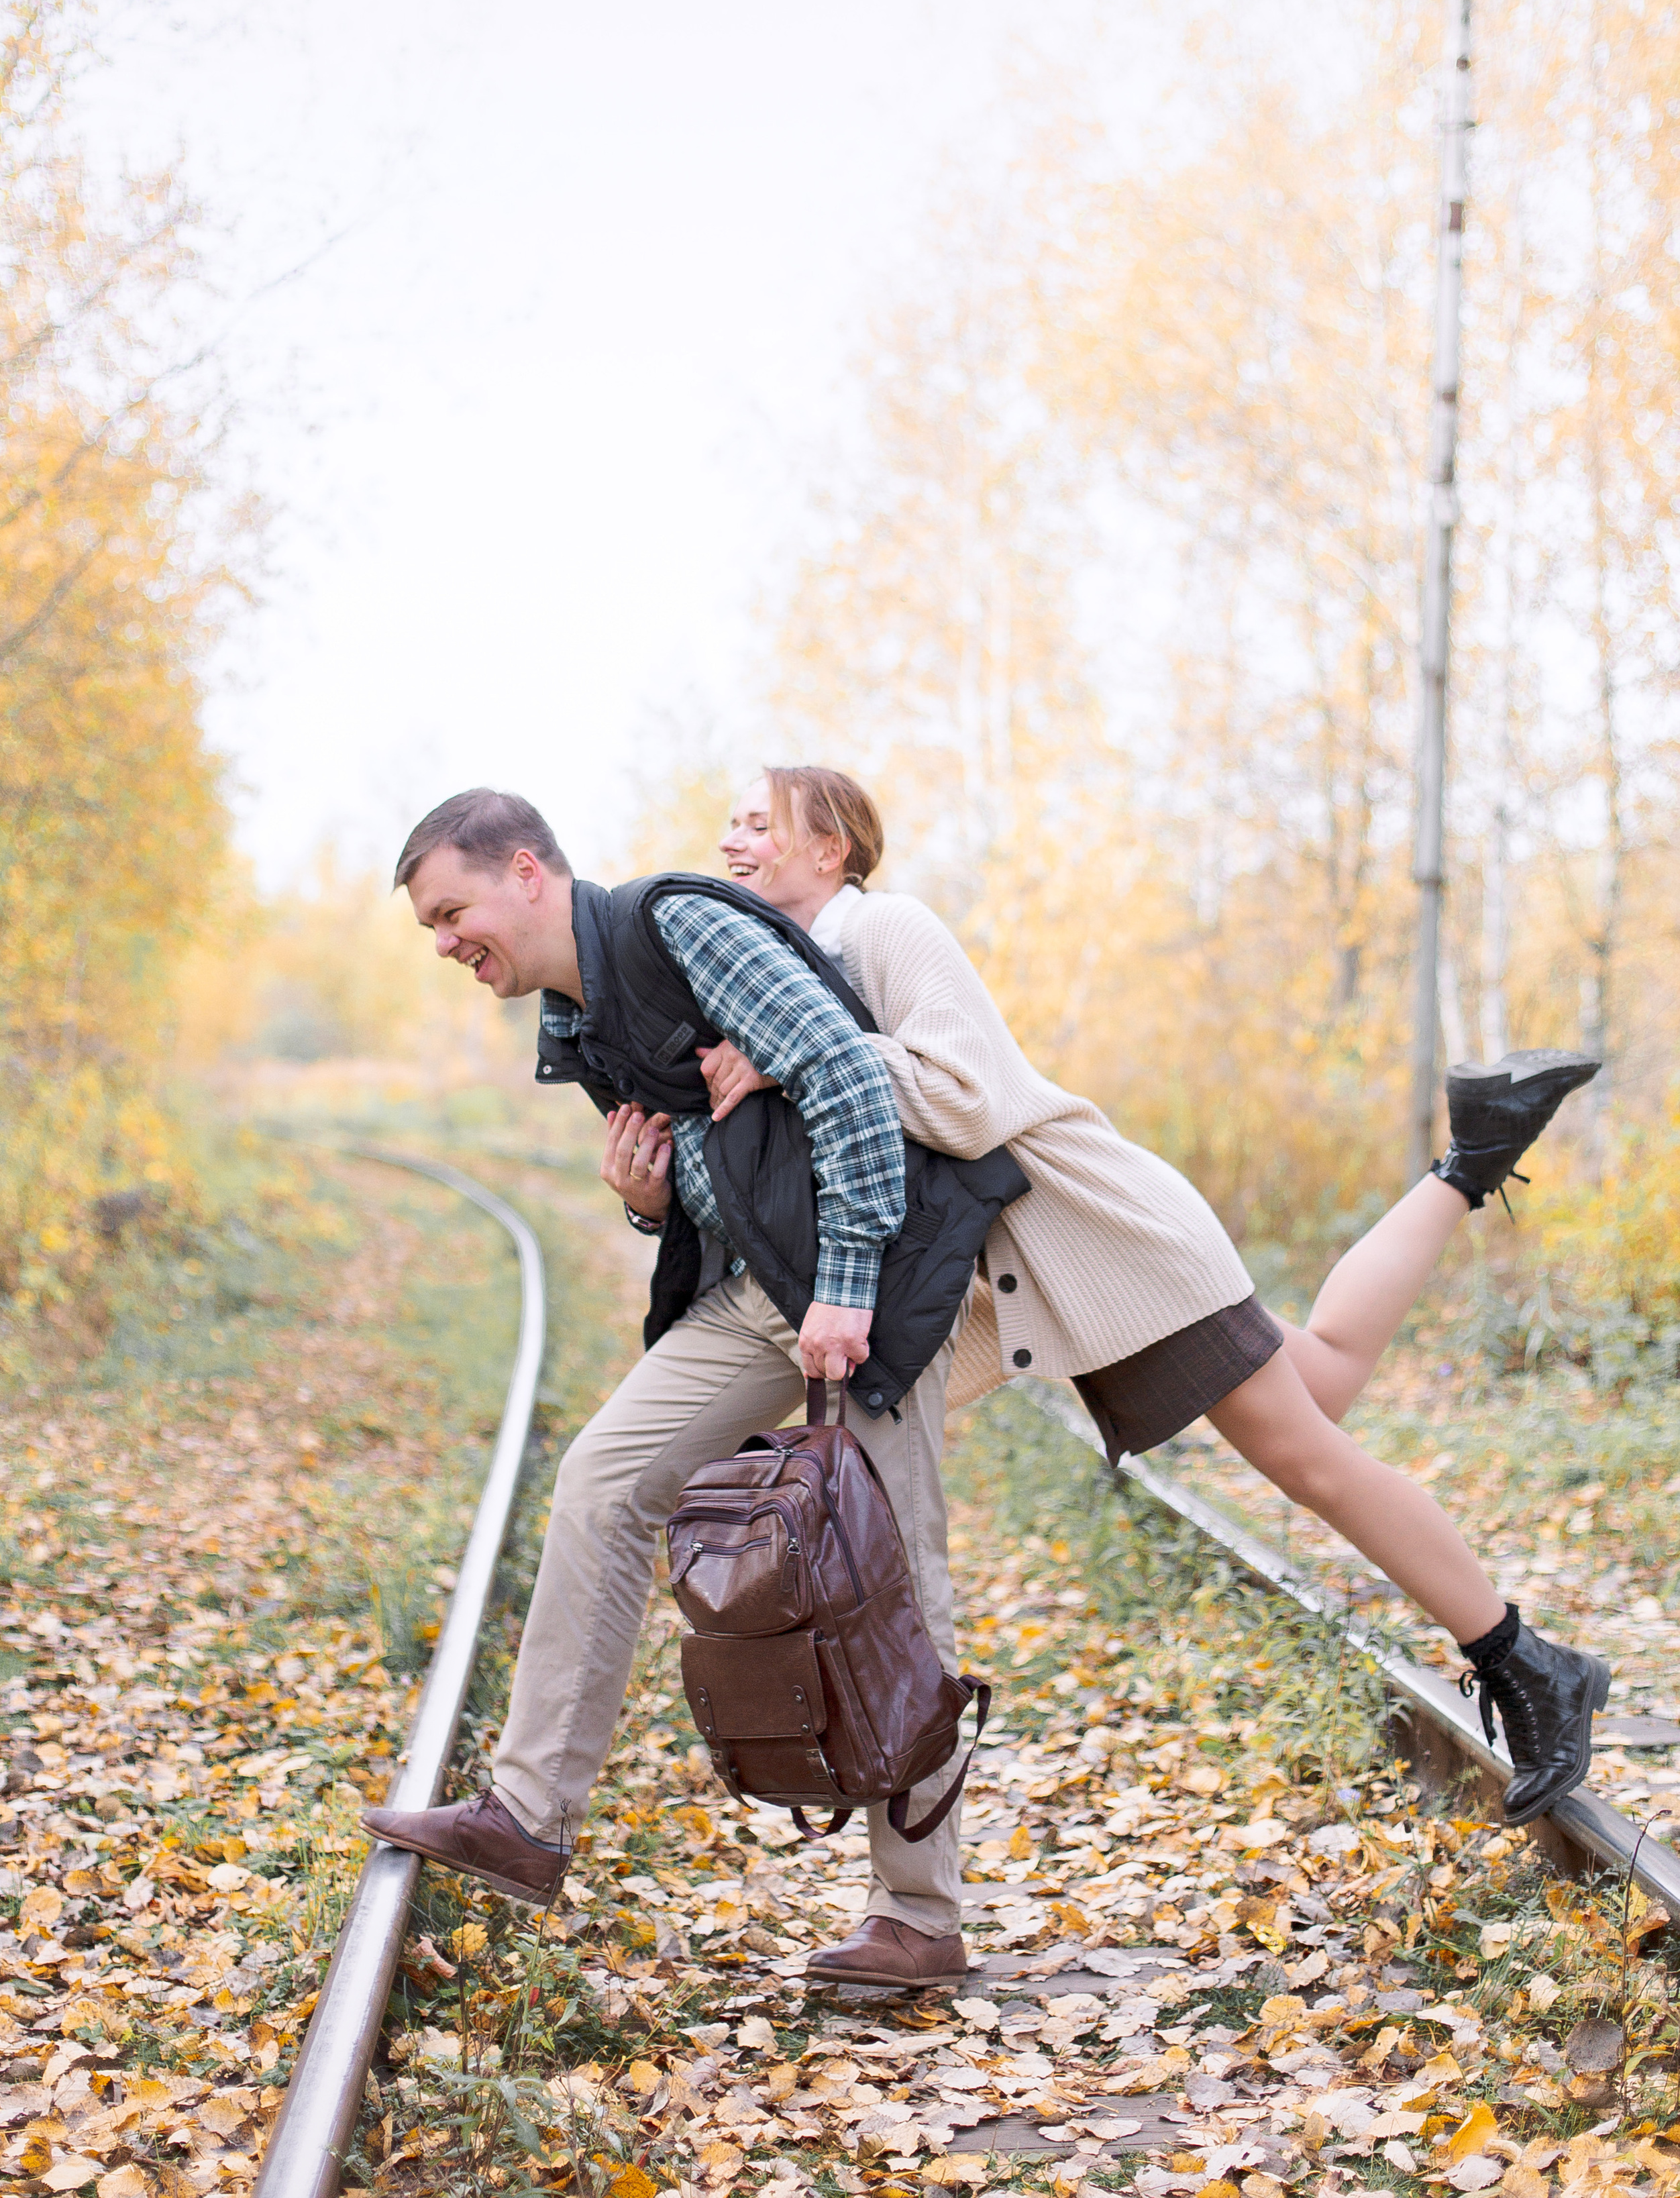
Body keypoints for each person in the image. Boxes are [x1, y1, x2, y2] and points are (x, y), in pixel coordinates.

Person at [603, 764, 1608, 1828]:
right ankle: (1474, 1152)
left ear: (830, 848)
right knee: (1324, 1379)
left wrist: (803, 1059)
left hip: (1097, 1232)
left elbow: (967, 1099)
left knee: (1309, 1455)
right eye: (729, 824)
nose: (733, 842)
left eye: (759, 823)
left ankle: (1529, 1663)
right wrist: (659, 1199)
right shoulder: (785, 973)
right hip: (1062, 1260)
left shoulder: (887, 930)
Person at [360, 788, 1001, 1989]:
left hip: (871, 1275)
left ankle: (920, 1917)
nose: (446, 943)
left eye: (452, 912)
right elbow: (729, 1156)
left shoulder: (675, 926)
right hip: (763, 1287)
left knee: (898, 1578)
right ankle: (529, 1817)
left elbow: (849, 1083)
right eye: (432, 928)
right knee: (604, 1480)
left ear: (527, 872)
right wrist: (651, 1201)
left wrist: (847, 1285)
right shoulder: (579, 1015)